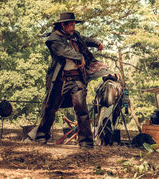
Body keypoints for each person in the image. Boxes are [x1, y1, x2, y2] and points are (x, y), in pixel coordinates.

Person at [35, 12, 111, 148]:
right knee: (50, 109)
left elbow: (84, 39)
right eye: (71, 24)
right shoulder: (53, 38)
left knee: (82, 111)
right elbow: (62, 50)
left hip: (77, 79)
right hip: (60, 80)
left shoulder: (75, 36)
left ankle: (86, 143)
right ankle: (41, 137)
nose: (73, 26)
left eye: (74, 23)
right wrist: (78, 57)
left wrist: (96, 43)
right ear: (63, 25)